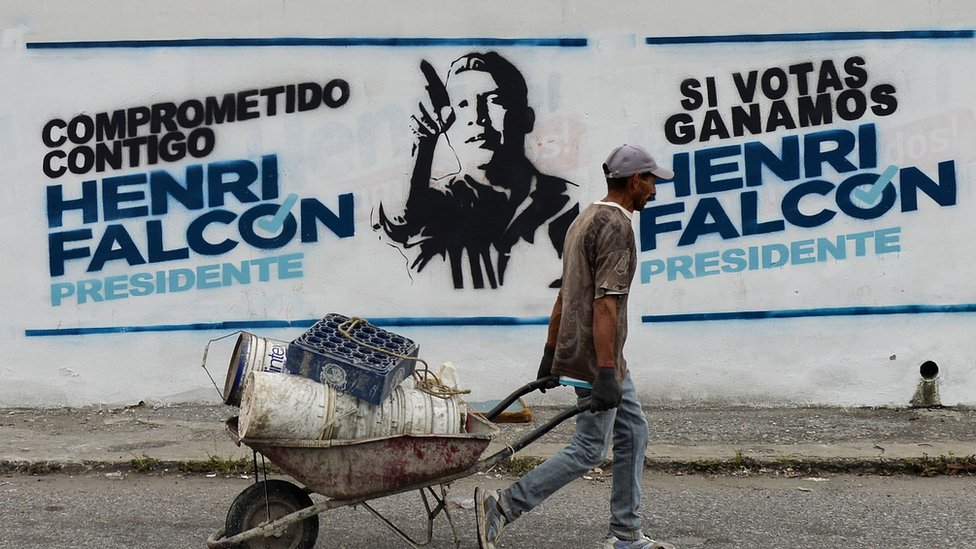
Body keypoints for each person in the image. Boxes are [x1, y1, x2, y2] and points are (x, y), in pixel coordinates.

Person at [474, 144, 676, 549]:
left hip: (593, 353)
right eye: (651, 181)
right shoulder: (617, 227)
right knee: (588, 448)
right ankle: (506, 505)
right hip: (597, 356)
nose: (654, 191)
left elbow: (565, 294)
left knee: (633, 430)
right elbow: (606, 305)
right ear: (635, 180)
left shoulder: (584, 218)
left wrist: (551, 351)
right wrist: (604, 371)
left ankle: (625, 532)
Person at [375, 51, 579, 289]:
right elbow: (400, 229)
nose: (476, 117)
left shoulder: (566, 205)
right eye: (462, 103)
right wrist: (424, 146)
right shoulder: (446, 202)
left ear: (526, 119)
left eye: (493, 101)